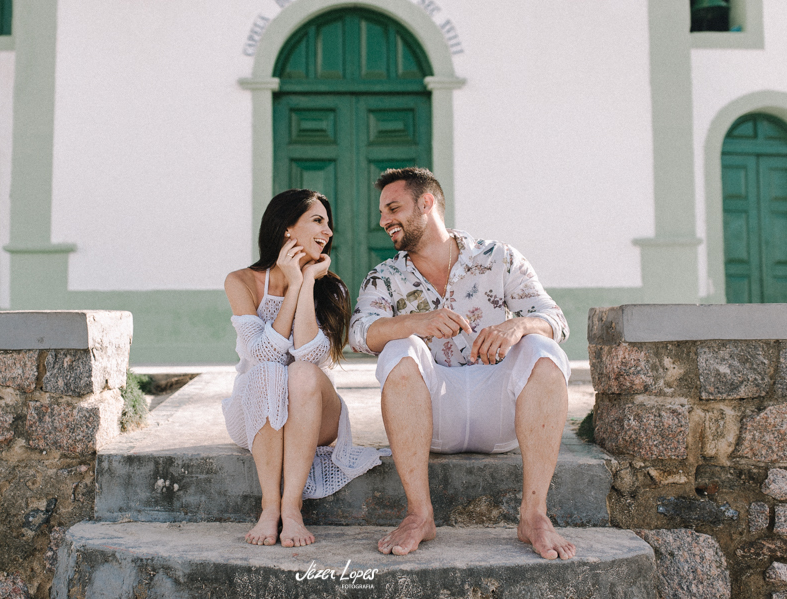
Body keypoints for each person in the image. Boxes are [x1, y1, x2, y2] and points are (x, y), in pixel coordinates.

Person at [349, 167, 576, 560]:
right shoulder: (384, 277)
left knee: (543, 349)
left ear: (426, 203)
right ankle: (420, 514)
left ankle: (533, 516)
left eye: (393, 208)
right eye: (383, 212)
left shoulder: (497, 257)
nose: (383, 220)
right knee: (397, 350)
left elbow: (555, 319)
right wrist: (414, 323)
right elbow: (358, 334)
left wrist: (516, 326)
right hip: (433, 415)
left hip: (500, 411)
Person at [224, 189, 389, 548]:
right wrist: (293, 283)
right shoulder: (241, 281)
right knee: (269, 373)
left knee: (299, 372)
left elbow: (309, 357)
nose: (328, 232)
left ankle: (292, 507)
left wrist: (307, 283)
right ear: (286, 228)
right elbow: (263, 354)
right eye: (317, 221)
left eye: (329, 225)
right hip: (255, 410)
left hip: (312, 409)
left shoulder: (331, 289)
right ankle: (270, 508)